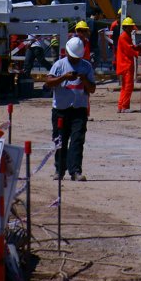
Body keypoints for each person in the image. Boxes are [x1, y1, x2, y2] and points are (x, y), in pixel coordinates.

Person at [44, 36, 96, 181]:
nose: (74, 60)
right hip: (61, 109)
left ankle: (75, 171)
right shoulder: (59, 65)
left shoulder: (86, 67)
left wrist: (84, 78)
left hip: (79, 109)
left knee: (77, 140)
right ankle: (59, 170)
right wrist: (64, 77)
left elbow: (92, 89)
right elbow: (48, 82)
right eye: (72, 57)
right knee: (60, 140)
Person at [115, 16, 141, 112]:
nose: (132, 28)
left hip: (126, 64)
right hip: (126, 65)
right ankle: (124, 106)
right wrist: (139, 53)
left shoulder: (126, 36)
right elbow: (129, 50)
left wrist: (138, 47)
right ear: (126, 27)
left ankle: (121, 106)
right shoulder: (124, 36)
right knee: (128, 86)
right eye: (131, 27)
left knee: (125, 86)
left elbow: (131, 47)